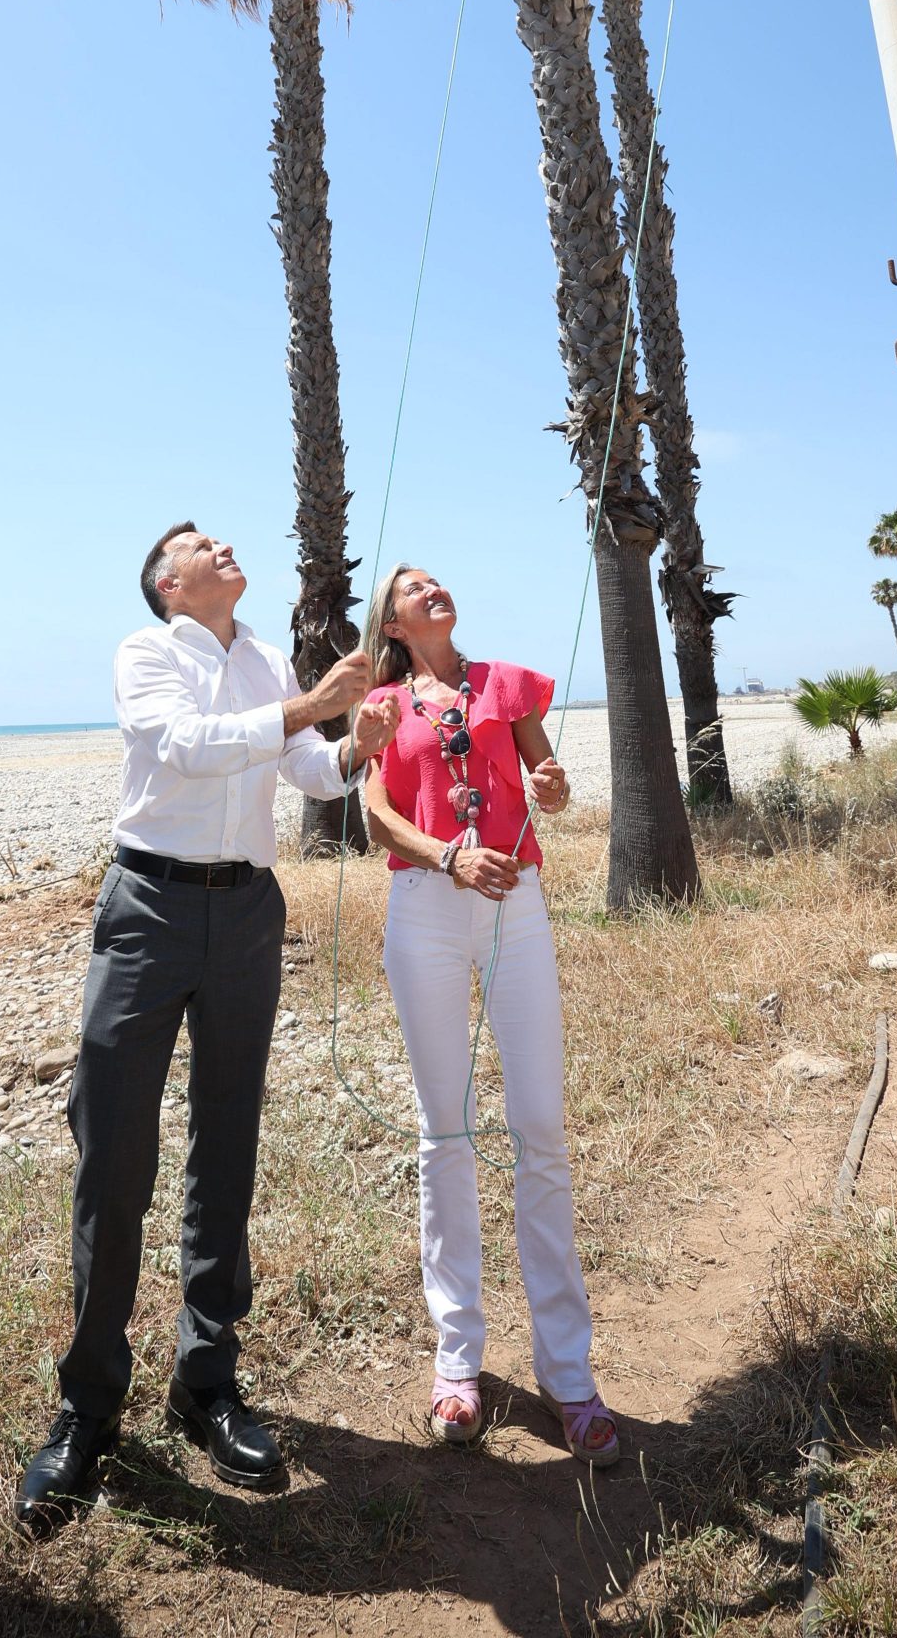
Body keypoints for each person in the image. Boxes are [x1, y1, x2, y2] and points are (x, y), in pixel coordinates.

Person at [15, 524, 400, 1528]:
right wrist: (310, 708)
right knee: (115, 1149)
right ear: (166, 581)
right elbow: (185, 748)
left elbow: (311, 774)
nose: (222, 545)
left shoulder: (267, 657)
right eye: (197, 542)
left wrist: (356, 739)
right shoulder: (145, 654)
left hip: (248, 911)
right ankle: (90, 1406)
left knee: (228, 1136)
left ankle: (205, 1380)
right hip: (146, 908)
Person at [360, 564, 619, 1465]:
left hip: (519, 899)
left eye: (438, 579)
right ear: (390, 621)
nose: (433, 589)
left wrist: (551, 789)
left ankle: (566, 1372)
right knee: (446, 1134)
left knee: (539, 1126)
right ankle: (458, 1360)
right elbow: (375, 814)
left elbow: (551, 781)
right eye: (412, 586)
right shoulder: (384, 702)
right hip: (425, 907)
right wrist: (447, 857)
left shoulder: (505, 685)